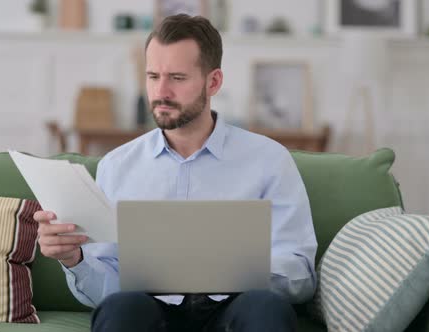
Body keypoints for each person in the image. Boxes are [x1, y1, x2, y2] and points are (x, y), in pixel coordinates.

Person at [34, 14, 317, 332]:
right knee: (120, 308)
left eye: (177, 78)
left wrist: (234, 268)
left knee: (266, 308)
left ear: (213, 82)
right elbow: (107, 289)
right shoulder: (117, 166)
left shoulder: (269, 160)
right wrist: (75, 259)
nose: (162, 91)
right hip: (150, 309)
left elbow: (302, 275)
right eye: (153, 76)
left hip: (237, 307)